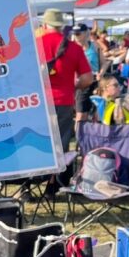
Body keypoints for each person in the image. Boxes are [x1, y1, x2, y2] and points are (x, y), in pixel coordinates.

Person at [37, 8, 93, 152]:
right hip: (64, 102)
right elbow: (87, 79)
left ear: (44, 25)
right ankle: (61, 174)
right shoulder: (74, 48)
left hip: (37, 102)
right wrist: (72, 87)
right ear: (61, 27)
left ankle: (41, 174)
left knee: (36, 143)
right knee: (61, 147)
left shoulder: (33, 44)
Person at [72, 23, 102, 124]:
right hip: (81, 82)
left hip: (95, 80)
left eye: (78, 33)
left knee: (98, 112)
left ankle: (95, 135)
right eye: (75, 33)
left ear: (85, 33)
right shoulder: (72, 48)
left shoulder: (94, 45)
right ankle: (79, 138)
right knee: (81, 115)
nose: (76, 36)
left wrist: (101, 73)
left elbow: (104, 63)